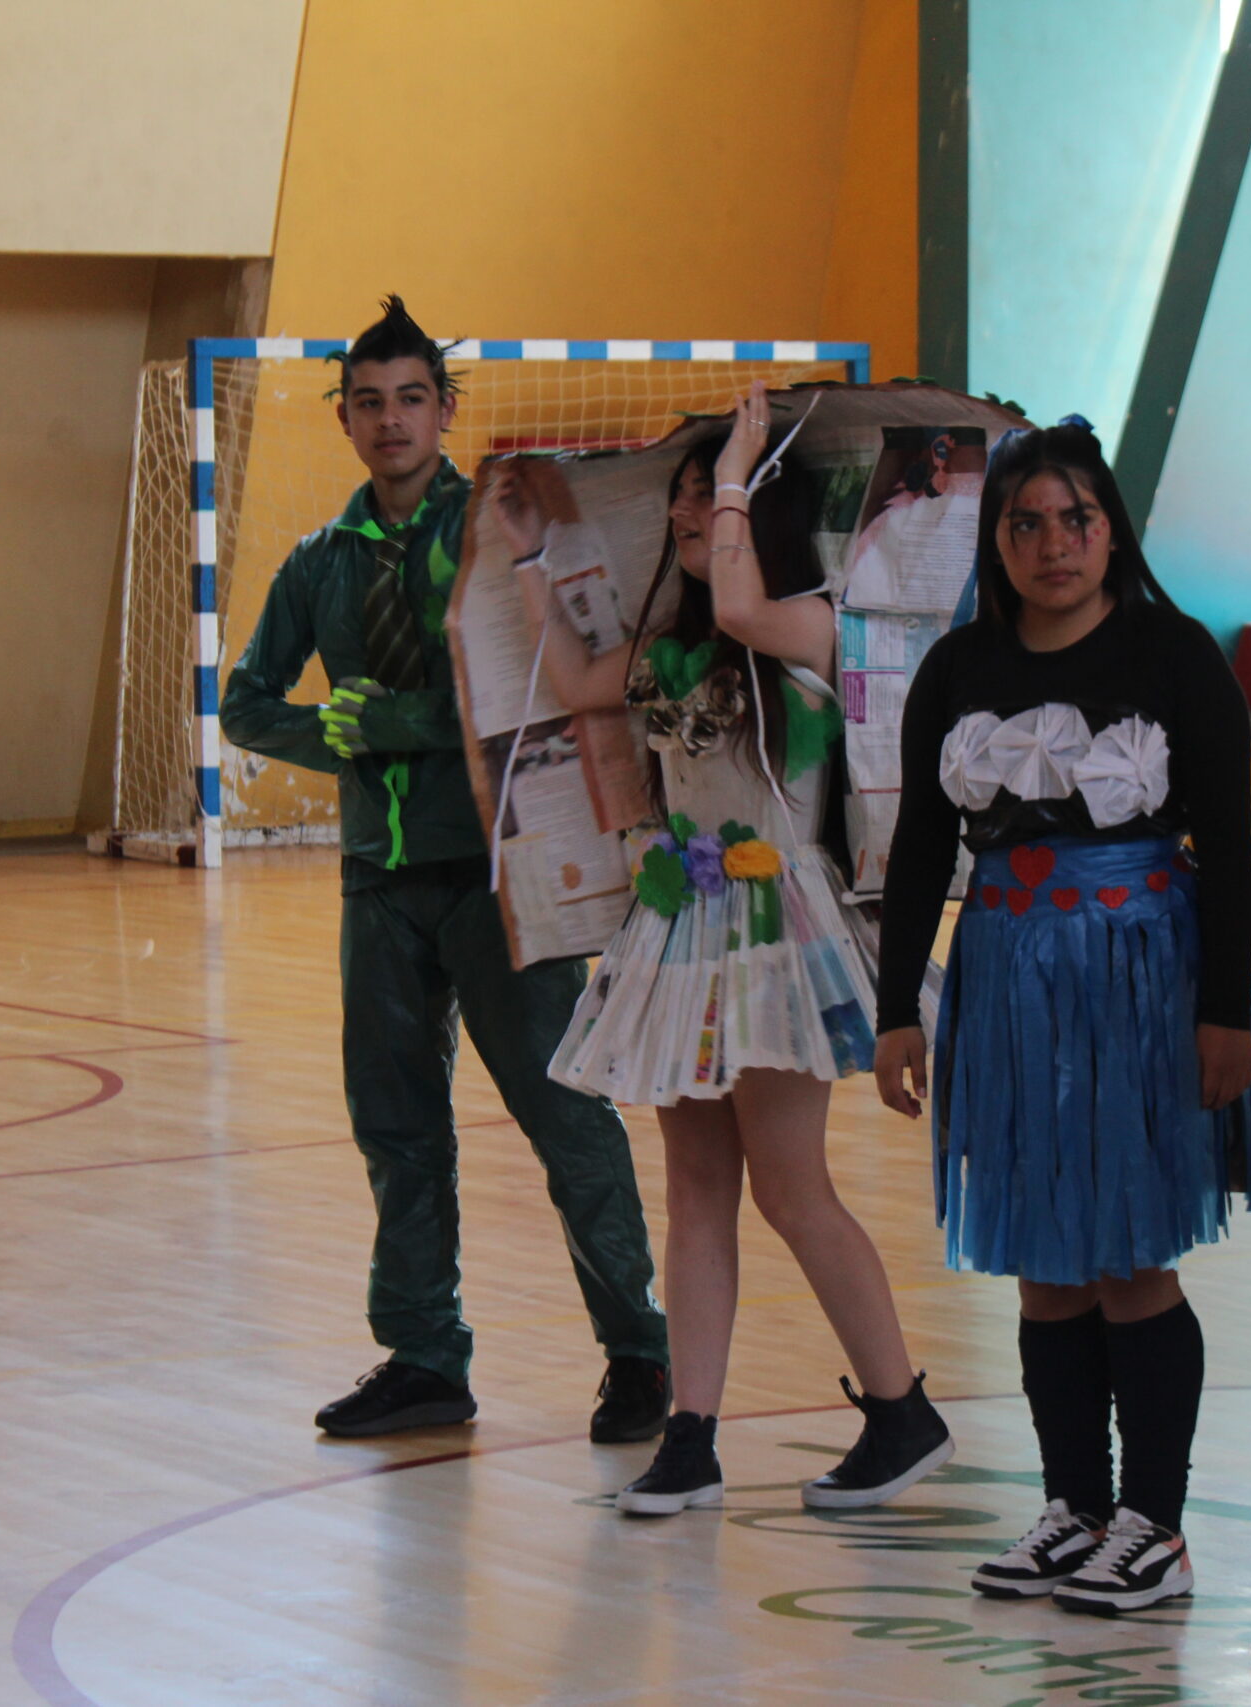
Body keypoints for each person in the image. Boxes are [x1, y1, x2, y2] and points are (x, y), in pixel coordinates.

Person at [498, 380, 954, 1517]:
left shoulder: (812, 623)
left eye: (709, 495)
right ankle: (691, 1436)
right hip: (685, 922)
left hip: (777, 927)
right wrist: (529, 556)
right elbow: (574, 683)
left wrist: (742, 459)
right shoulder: (667, 648)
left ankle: (901, 1408)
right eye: (688, 496)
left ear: (761, 506)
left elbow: (745, 610)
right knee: (697, 1189)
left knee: (792, 1187)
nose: (689, 512)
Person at [220, 297, 670, 1443]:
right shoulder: (319, 561)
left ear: (445, 410)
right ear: (344, 418)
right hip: (376, 880)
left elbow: (559, 685)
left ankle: (638, 1353)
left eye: (411, 398)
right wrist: (333, 734)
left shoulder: (500, 537)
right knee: (396, 1126)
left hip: (503, 878)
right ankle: (423, 1357)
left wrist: (406, 722)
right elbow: (247, 704)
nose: (391, 420)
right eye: (369, 402)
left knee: (566, 1118)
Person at [870, 418, 1251, 1615]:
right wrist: (898, 1007)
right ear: (996, 541)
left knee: (1128, 1260)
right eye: (1026, 524)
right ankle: (1074, 1508)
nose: (1053, 544)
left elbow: (1231, 846)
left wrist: (1222, 1012)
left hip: (1140, 976)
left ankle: (1153, 1524)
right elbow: (920, 847)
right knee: (1043, 1267)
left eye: (1076, 520)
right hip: (1005, 978)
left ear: (1110, 530)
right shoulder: (957, 669)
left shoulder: (1175, 656)